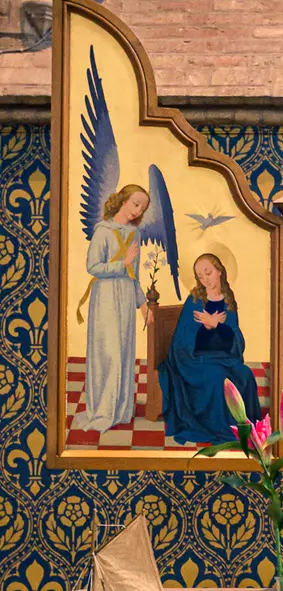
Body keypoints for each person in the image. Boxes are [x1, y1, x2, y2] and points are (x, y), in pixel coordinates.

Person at [157, 253, 260, 444]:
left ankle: (245, 424)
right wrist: (202, 330)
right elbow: (183, 338)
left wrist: (216, 326)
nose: (205, 280)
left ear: (219, 271)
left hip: (224, 357)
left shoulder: (228, 299)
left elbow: (235, 337)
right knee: (218, 378)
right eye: (200, 276)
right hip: (194, 359)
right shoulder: (195, 299)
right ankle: (222, 428)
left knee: (245, 374)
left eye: (208, 273)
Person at [82, 184, 152, 431]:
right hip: (106, 297)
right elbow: (93, 267)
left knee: (122, 352)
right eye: (135, 203)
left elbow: (134, 275)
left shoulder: (135, 233)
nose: (137, 210)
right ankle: (102, 410)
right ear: (123, 201)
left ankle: (120, 410)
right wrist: (122, 264)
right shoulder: (102, 230)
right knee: (107, 352)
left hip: (124, 297)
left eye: (142, 207)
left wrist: (142, 304)